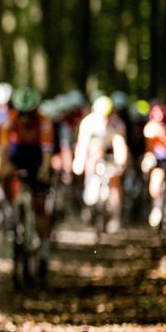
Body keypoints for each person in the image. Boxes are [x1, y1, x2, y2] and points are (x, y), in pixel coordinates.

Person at [0, 87, 55, 273]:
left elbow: (46, 151)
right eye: (23, 114)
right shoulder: (10, 120)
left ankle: (44, 252)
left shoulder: (44, 122)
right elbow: (4, 149)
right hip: (18, 152)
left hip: (37, 155)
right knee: (5, 175)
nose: (26, 118)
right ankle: (11, 207)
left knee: (39, 206)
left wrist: (45, 170)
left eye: (30, 114)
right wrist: (3, 168)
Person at [72, 94, 129, 233]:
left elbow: (120, 145)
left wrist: (120, 163)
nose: (105, 119)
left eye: (108, 115)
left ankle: (115, 215)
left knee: (114, 180)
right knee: (93, 156)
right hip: (94, 151)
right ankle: (90, 185)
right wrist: (79, 161)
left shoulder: (117, 124)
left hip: (110, 152)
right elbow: (82, 144)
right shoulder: (88, 122)